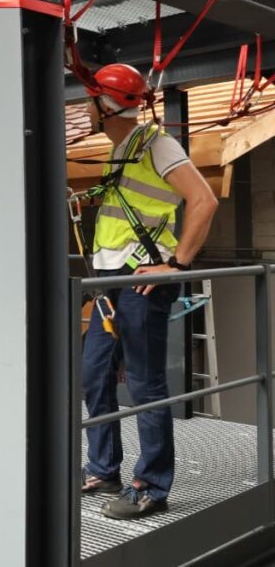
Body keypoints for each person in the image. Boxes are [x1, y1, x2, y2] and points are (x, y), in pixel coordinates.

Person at [80, 63, 217, 519]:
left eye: (90, 99)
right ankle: (104, 469)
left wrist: (175, 265)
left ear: (105, 104)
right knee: (95, 374)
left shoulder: (157, 144)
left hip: (140, 280)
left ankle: (151, 486)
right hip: (109, 282)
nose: (85, 107)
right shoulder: (120, 151)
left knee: (144, 383)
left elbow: (204, 200)